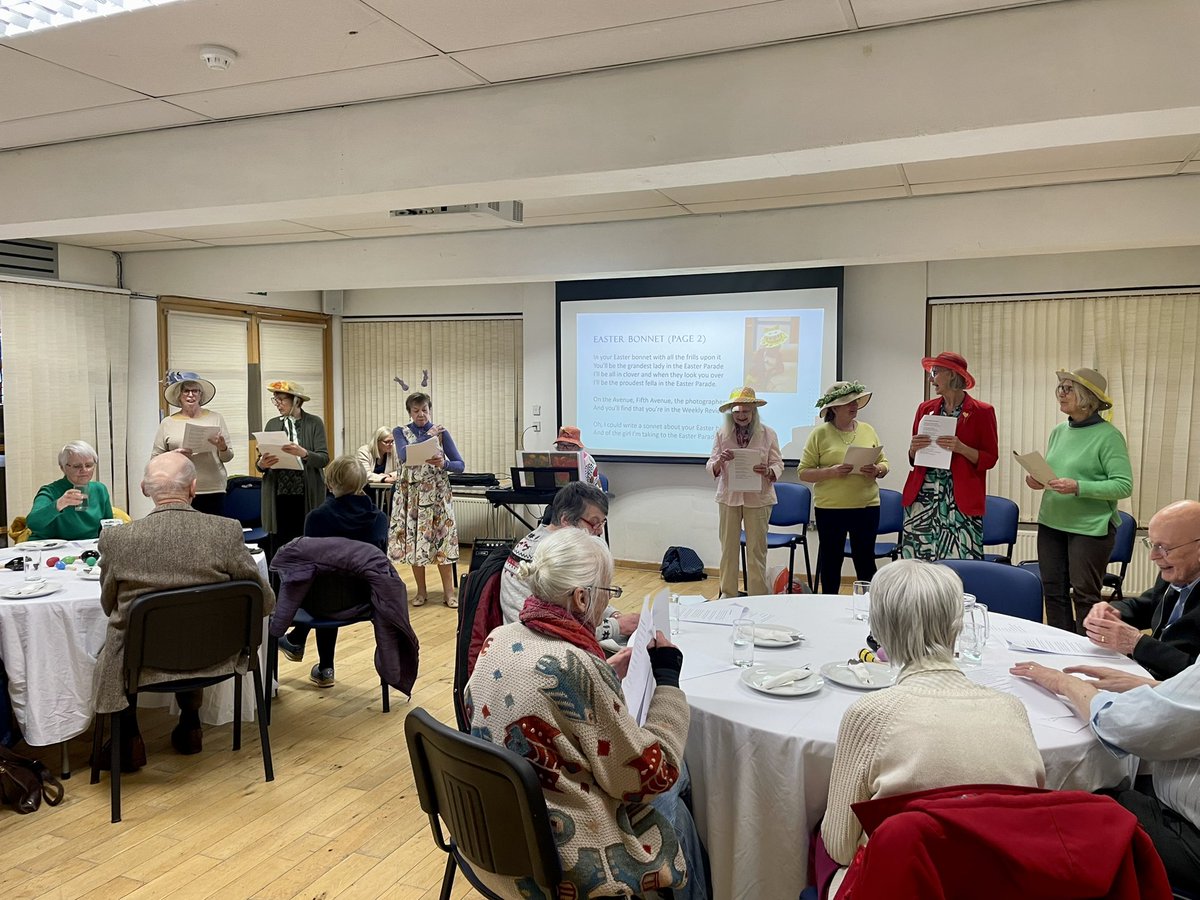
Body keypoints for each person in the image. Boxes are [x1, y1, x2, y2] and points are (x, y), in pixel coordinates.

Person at [465, 527, 698, 900]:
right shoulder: (575, 667)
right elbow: (652, 776)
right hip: (562, 860)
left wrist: (601, 668)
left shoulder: (500, 637)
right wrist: (668, 680)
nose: (608, 604)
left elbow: (524, 685)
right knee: (678, 786)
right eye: (608, 593)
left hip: (492, 838)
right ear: (581, 597)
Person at [821, 559, 1045, 896]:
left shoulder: (870, 714)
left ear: (878, 630)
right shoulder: (1012, 709)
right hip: (996, 885)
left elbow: (840, 847)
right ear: (956, 626)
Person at [93, 453, 274, 769]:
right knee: (193, 628)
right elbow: (264, 601)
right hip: (217, 654)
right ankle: (191, 724)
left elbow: (109, 605)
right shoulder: (226, 531)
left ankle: (130, 737)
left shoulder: (117, 538)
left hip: (143, 661)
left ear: (144, 489)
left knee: (114, 648)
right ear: (193, 487)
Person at [1012, 658, 1200, 893]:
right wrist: (1152, 688)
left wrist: (1064, 683)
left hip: (1187, 836)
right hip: (1173, 802)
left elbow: (1121, 725)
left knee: (1060, 812)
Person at [1028, 367, 1133, 633]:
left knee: (1085, 596)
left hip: (1089, 528)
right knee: (1053, 593)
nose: (1060, 394)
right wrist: (1037, 481)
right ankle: (1059, 648)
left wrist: (1079, 487)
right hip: (1052, 522)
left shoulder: (1109, 436)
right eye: (1060, 388)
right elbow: (1054, 473)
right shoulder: (1059, 431)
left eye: (1068, 388)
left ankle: (1087, 654)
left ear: (1087, 397)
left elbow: (1123, 485)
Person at [276, 455, 389, 687]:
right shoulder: (379, 519)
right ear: (361, 484)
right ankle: (313, 657)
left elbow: (308, 568)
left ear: (329, 484)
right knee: (336, 580)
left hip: (322, 601)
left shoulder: (316, 518)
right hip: (365, 598)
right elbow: (380, 562)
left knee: (321, 580)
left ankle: (322, 664)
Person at [499, 481, 639, 642]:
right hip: (538, 639)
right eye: (594, 522)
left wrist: (613, 615)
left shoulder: (546, 540)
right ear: (566, 520)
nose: (600, 530)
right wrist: (617, 626)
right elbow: (556, 627)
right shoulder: (555, 556)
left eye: (602, 523)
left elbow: (588, 595)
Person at [1081, 499, 1200, 680]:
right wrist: (1113, 611)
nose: (1153, 556)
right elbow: (1146, 605)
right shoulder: (1177, 572)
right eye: (1152, 544)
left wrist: (1135, 643)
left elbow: (1194, 675)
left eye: (1163, 547)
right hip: (1148, 673)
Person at [900, 351, 998, 560]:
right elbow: (913, 457)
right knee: (918, 564)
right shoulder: (925, 409)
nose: (930, 378)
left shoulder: (982, 411)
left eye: (935, 372)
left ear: (952, 374)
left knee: (962, 565)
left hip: (959, 500)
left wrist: (962, 448)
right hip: (923, 499)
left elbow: (990, 458)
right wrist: (912, 449)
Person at [799, 381, 889, 593]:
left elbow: (885, 463)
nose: (854, 406)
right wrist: (832, 471)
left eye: (855, 401)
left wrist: (877, 469)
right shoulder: (819, 434)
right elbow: (804, 472)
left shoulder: (868, 430)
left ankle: (871, 610)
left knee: (865, 561)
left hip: (866, 506)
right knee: (831, 561)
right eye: (847, 402)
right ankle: (829, 608)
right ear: (834, 409)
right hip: (830, 509)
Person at [707, 387, 783, 598]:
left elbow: (778, 463)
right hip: (729, 498)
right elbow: (711, 465)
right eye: (737, 412)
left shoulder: (768, 433)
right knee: (728, 550)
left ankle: (757, 595)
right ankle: (728, 595)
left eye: (746, 412)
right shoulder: (722, 434)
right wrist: (720, 460)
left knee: (756, 552)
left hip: (759, 498)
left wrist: (768, 471)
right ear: (731, 412)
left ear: (753, 412)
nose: (741, 416)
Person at [389, 391, 463, 608]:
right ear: (409, 412)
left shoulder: (441, 432)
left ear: (430, 410)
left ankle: (449, 593)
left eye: (424, 410)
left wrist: (444, 464)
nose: (421, 414)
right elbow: (405, 456)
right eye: (416, 411)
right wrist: (428, 435)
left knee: (443, 542)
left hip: (438, 496)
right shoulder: (400, 431)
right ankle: (421, 592)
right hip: (411, 497)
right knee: (414, 542)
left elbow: (460, 465)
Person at [257, 380, 329, 560]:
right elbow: (260, 461)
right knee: (280, 542)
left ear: (296, 401)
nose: (278, 404)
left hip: (306, 491)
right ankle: (279, 584)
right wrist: (262, 464)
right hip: (278, 491)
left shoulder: (314, 423)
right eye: (275, 400)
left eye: (281, 400)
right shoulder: (272, 424)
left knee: (305, 539)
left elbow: (324, 459)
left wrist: (304, 453)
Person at [151, 370, 234, 516]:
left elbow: (228, 457)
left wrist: (222, 447)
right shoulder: (167, 423)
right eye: (186, 391)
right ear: (179, 396)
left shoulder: (216, 418)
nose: (191, 395)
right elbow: (155, 460)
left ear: (200, 395)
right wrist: (174, 455)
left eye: (195, 391)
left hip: (213, 487)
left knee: (214, 534)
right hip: (180, 490)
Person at [26, 440, 114, 540]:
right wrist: (59, 504)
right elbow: (33, 523)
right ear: (63, 468)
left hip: (87, 547)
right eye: (77, 466)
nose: (84, 470)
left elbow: (108, 526)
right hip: (51, 547)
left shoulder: (100, 489)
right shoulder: (50, 491)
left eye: (89, 465)